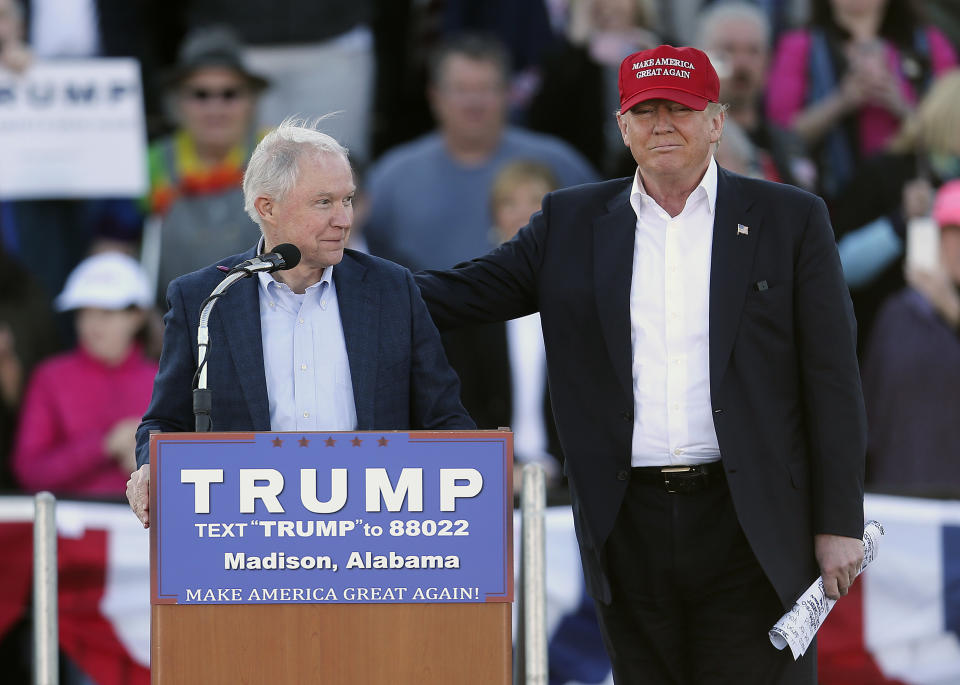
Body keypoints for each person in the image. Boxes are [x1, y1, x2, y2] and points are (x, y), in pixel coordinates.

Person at [416, 44, 866, 683]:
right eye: (645, 111)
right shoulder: (569, 222)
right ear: (622, 127)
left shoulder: (789, 219)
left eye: (679, 110)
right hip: (627, 524)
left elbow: (833, 379)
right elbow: (458, 293)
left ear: (716, 120)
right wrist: (337, 274)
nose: (662, 126)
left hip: (755, 522)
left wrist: (839, 521)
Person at [126, 119, 474, 527]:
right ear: (267, 207)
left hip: (374, 532)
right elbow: (165, 421)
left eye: (348, 200)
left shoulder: (391, 289)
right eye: (324, 202)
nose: (344, 220)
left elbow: (446, 420)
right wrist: (153, 466)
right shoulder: (205, 298)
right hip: (250, 536)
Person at [362, 34, 597, 272]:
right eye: (460, 89)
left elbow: (606, 236)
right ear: (435, 96)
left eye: (486, 89)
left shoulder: (558, 164)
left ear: (508, 93)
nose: (474, 103)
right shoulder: (392, 178)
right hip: (423, 306)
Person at [440, 160, 565, 493]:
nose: (523, 213)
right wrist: (501, 469)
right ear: (494, 216)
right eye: (509, 202)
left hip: (576, 482)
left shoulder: (585, 299)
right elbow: (458, 402)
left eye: (535, 200)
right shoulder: (471, 303)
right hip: (489, 482)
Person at [765, 0, 957, 201]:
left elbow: (952, 132)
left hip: (921, 198)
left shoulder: (930, 44)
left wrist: (899, 104)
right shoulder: (799, 46)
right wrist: (842, 100)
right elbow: (780, 135)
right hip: (830, 202)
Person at [12, 252, 157, 495]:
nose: (93, 325)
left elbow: (196, 473)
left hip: (146, 530)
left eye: (107, 312)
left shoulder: (164, 380)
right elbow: (29, 472)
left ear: (137, 316)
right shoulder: (50, 377)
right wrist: (104, 445)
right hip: (72, 529)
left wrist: (154, 467)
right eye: (84, 313)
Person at [142, 26, 268, 302]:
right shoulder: (151, 163)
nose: (215, 108)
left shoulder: (279, 156)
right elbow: (118, 244)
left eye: (229, 94)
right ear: (178, 103)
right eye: (201, 94)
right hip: (173, 323)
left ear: (251, 102)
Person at [862, 179, 960, 495]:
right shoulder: (899, 313)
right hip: (903, 497)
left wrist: (952, 310)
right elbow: (870, 416)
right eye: (952, 232)